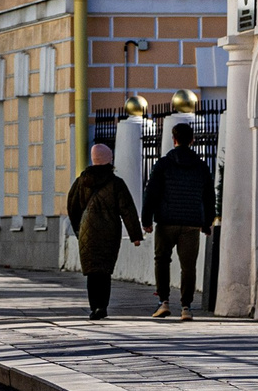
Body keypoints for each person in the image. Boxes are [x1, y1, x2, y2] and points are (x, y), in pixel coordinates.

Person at [141, 121, 217, 320]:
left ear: (173, 139)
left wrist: (146, 219)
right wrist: (207, 222)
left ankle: (163, 302)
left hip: (167, 221)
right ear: (192, 140)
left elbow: (151, 193)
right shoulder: (201, 166)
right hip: (192, 223)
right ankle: (186, 307)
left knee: (162, 260)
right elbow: (209, 196)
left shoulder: (163, 164)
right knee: (188, 266)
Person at [62, 142, 142, 320]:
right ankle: (102, 306)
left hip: (87, 233)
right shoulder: (116, 183)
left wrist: (78, 229)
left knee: (92, 271)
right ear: (109, 160)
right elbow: (127, 209)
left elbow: (72, 207)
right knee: (104, 270)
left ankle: (94, 306)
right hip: (109, 232)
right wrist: (135, 235)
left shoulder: (81, 181)